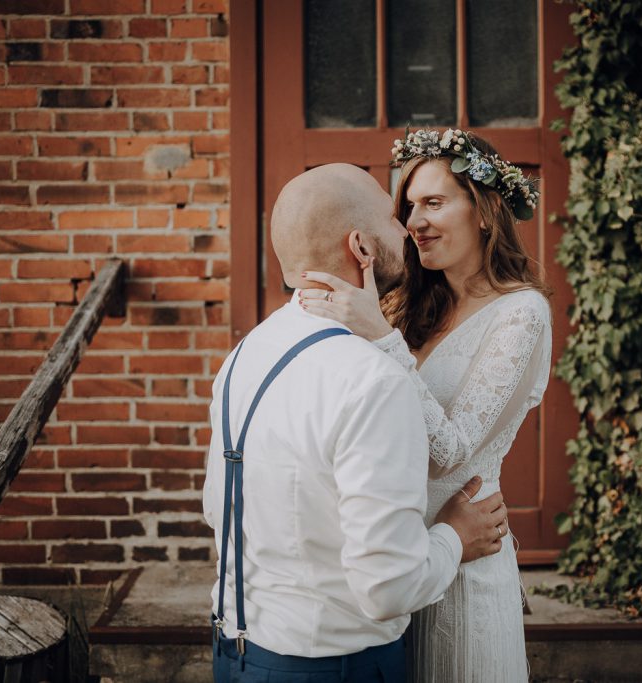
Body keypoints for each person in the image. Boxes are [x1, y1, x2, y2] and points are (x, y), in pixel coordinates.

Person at [202, 162, 509, 683]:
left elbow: (218, 507)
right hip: (331, 667)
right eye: (393, 218)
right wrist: (456, 536)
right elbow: (388, 588)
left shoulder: (245, 353)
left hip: (234, 651)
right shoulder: (373, 379)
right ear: (362, 248)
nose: (407, 230)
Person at [299, 129, 553, 682]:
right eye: (409, 206)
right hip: (391, 562)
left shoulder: (522, 314)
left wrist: (380, 336)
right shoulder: (406, 304)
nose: (414, 222)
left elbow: (449, 453)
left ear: (484, 211)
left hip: (465, 566)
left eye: (434, 202)